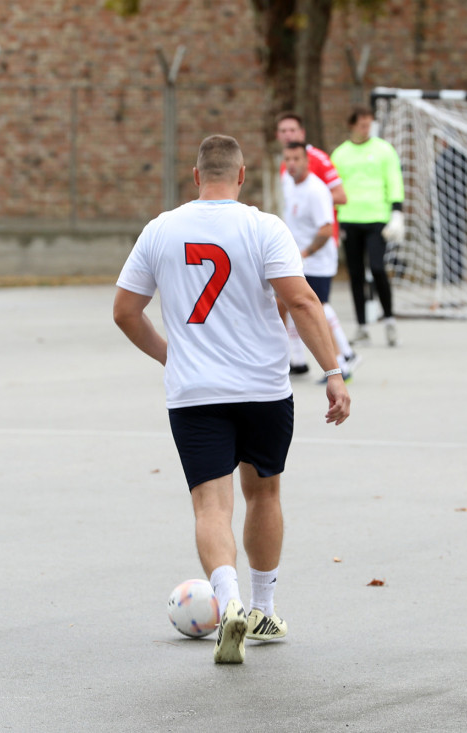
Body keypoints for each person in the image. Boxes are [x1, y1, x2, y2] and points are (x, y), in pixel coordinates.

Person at [113, 135, 350, 665]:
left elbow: (125, 311)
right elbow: (302, 299)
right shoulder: (264, 227)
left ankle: (230, 602)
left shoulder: (161, 230)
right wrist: (332, 373)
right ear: (242, 177)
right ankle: (263, 607)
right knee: (264, 494)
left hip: (196, 392)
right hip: (263, 388)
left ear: (195, 176)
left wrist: (170, 357)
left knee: (210, 504)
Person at [280, 141, 360, 380]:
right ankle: (296, 360)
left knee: (317, 311)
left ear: (306, 161)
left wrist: (304, 253)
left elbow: (326, 230)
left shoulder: (316, 190)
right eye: (288, 159)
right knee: (281, 305)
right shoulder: (287, 182)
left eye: (296, 159)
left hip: (317, 262)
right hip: (295, 260)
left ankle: (341, 364)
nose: (292, 164)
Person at [330, 105, 405, 347]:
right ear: (352, 125)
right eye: (362, 124)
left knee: (377, 267)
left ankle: (389, 319)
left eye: (369, 124)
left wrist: (397, 212)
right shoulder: (340, 154)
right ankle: (362, 326)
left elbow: (394, 179)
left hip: (376, 218)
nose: (366, 128)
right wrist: (335, 220)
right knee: (355, 274)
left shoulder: (384, 150)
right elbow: (334, 188)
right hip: (350, 219)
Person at [436, 141, 467, 284]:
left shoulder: (457, 156)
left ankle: (453, 274)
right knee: (447, 240)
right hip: (446, 205)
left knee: (452, 240)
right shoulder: (452, 156)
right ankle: (449, 272)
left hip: (452, 205)